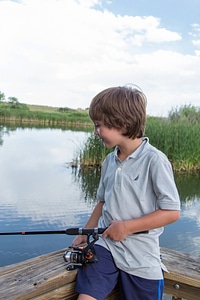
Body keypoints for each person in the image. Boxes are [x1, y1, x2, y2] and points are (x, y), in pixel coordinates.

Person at [72, 85, 180, 300]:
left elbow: (172, 212)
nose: (95, 131)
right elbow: (102, 202)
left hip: (142, 257)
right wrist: (86, 232)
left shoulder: (154, 161)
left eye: (99, 125)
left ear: (122, 124)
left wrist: (127, 227)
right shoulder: (109, 161)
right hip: (106, 248)